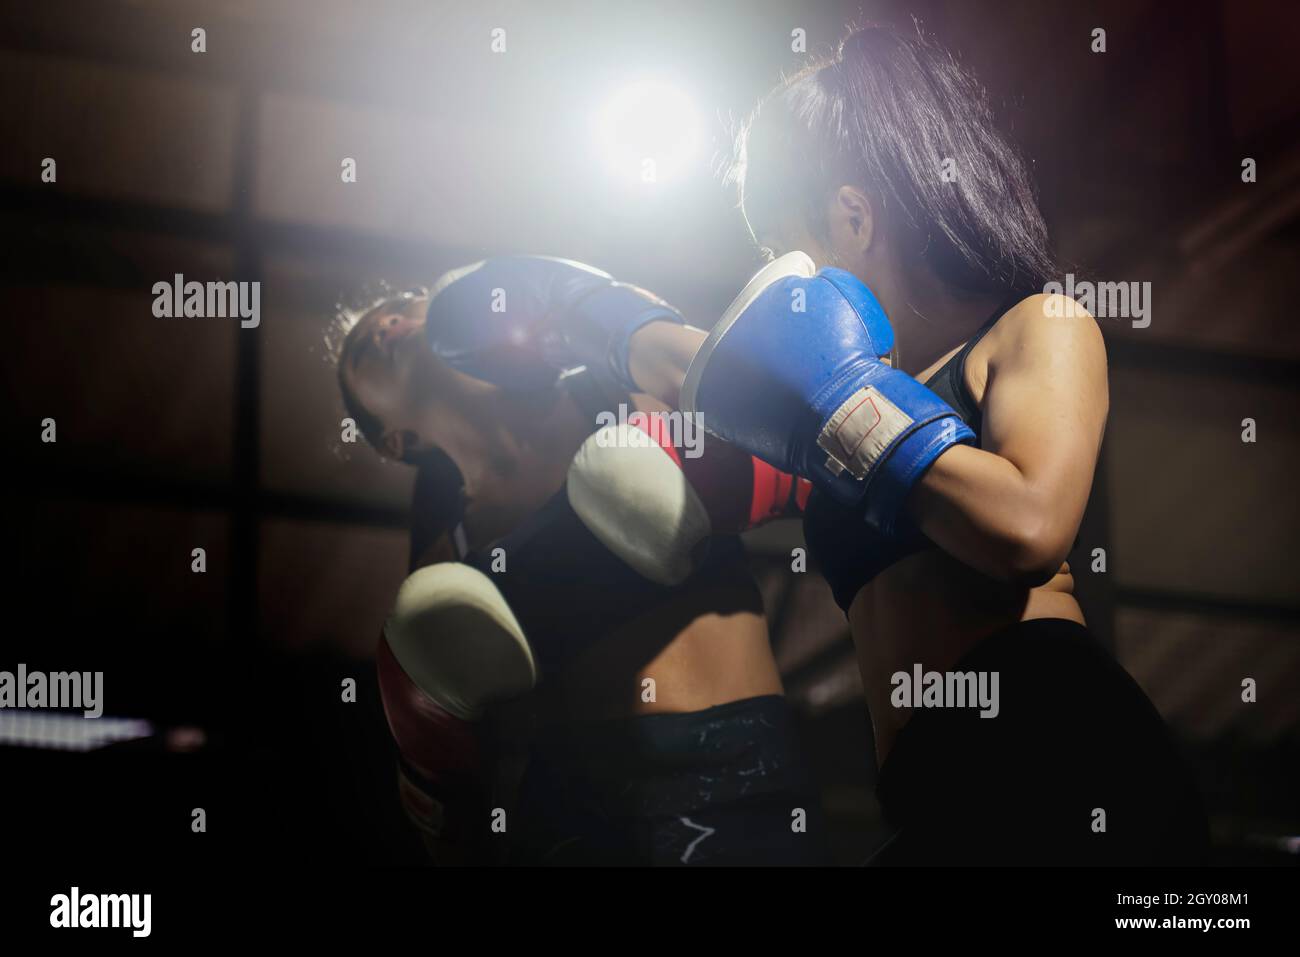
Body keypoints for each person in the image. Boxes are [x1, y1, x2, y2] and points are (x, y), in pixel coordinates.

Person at [588, 25, 1209, 865]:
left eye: (785, 251)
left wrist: (842, 402)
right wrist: (587, 314)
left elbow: (1029, 528)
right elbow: (696, 372)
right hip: (936, 789)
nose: (784, 282)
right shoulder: (840, 409)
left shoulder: (1035, 326)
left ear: (853, 215)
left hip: (1061, 758)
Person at [333, 257, 824, 865]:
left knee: (632, 472)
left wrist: (609, 316)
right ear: (392, 440)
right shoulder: (445, 553)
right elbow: (443, 779)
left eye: (400, 306)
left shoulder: (614, 384)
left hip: (737, 769)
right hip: (578, 811)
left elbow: (790, 428)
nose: (385, 325)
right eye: (362, 351)